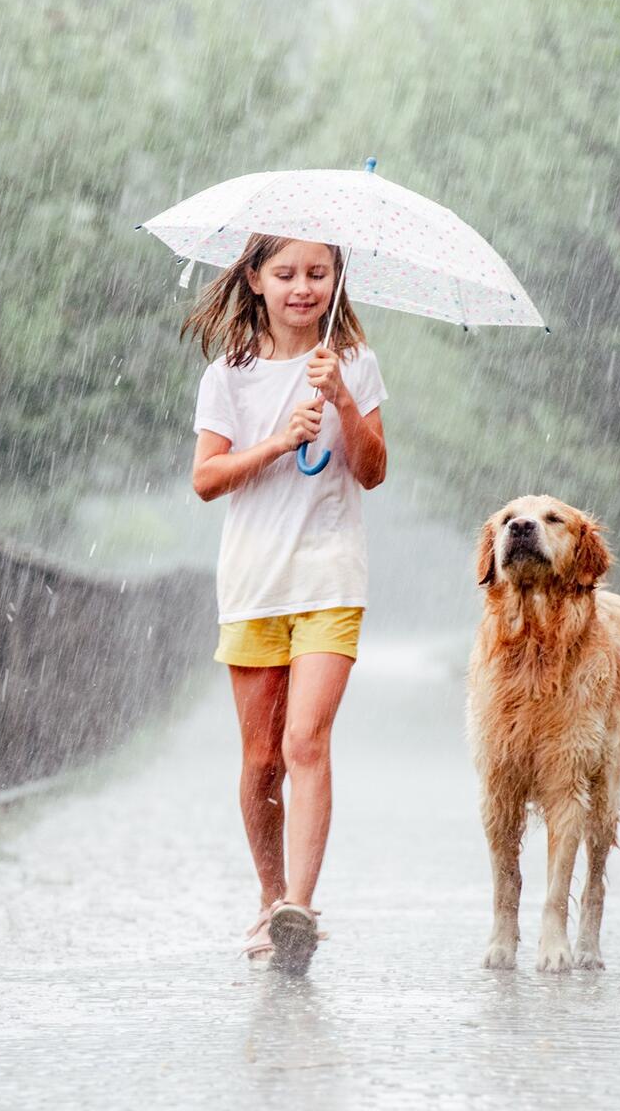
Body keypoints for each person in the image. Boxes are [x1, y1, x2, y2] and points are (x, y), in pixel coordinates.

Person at [182, 231, 387, 974]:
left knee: (306, 743)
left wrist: (341, 402)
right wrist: (274, 441)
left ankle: (300, 905)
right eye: (287, 273)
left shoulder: (353, 363)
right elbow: (206, 480)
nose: (304, 287)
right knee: (263, 760)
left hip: (330, 577)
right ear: (257, 280)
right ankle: (270, 900)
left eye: (319, 273)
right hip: (254, 583)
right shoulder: (227, 377)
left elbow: (373, 471)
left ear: (337, 280)